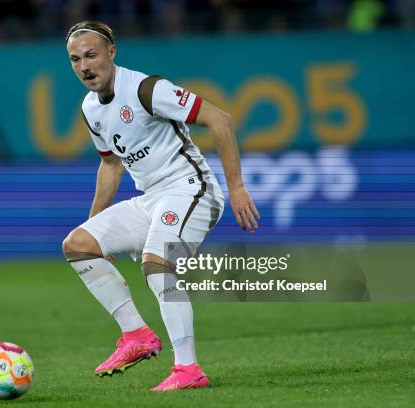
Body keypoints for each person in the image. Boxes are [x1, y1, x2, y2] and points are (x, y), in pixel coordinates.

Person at [62, 21, 260, 391]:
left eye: (91, 55)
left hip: (192, 189)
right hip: (151, 198)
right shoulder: (91, 109)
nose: (85, 66)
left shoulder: (145, 89)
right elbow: (110, 165)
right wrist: (97, 232)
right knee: (78, 245)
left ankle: (189, 370)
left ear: (111, 52)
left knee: (157, 262)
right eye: (76, 59)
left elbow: (221, 120)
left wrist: (236, 188)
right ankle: (136, 335)